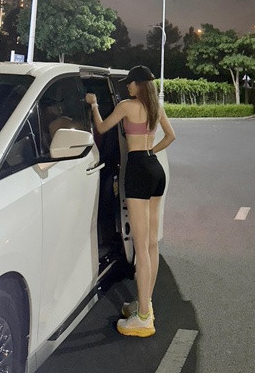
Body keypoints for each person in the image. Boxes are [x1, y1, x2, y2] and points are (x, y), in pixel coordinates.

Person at [86, 65, 176, 338]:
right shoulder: (155, 108)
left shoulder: (127, 106)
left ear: (139, 84)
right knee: (151, 244)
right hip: (154, 168)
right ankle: (145, 304)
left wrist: (94, 105)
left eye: (130, 83)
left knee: (140, 246)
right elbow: (171, 136)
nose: (127, 87)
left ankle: (143, 318)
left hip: (137, 171)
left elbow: (102, 127)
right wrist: (151, 151)